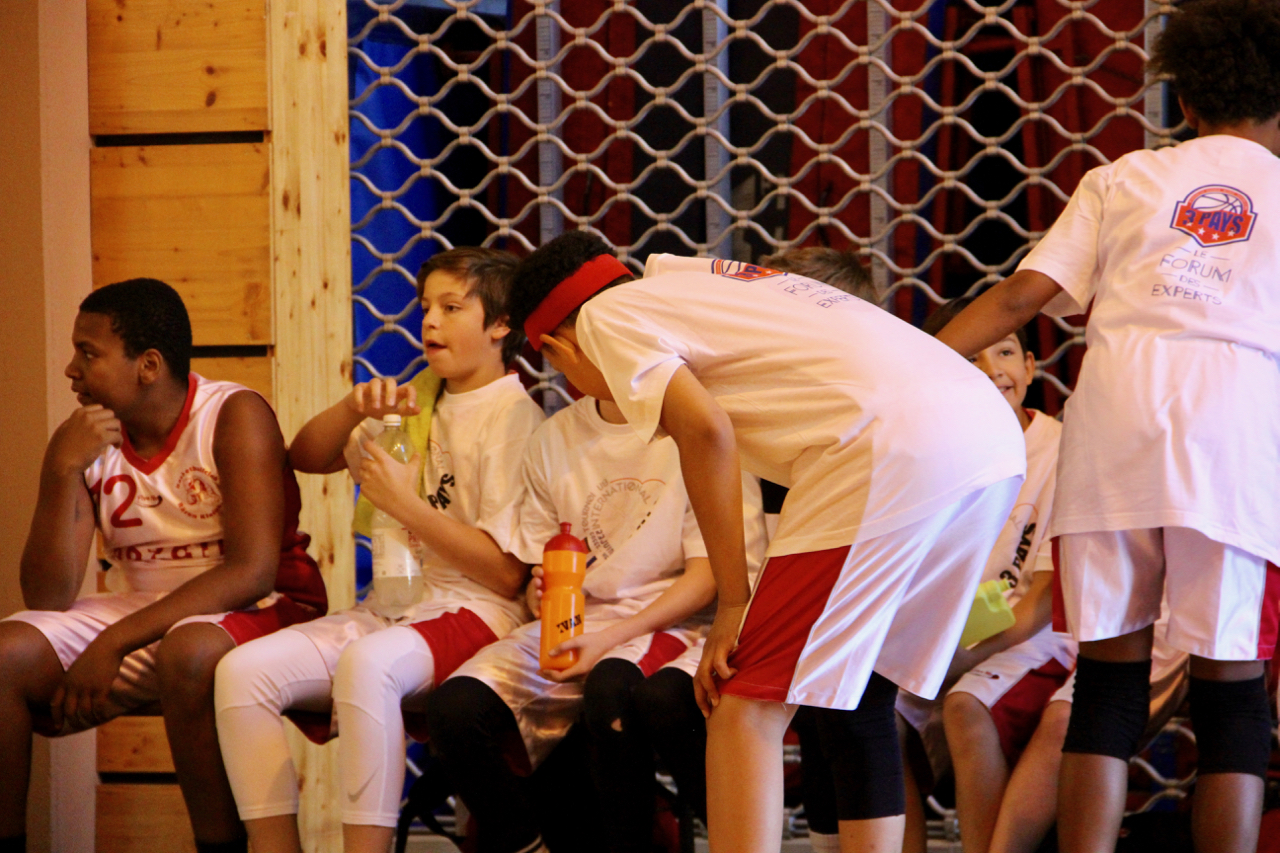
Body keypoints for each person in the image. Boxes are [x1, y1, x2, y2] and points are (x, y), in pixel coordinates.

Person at [504, 234, 1025, 853]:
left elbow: (706, 432)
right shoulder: (694, 282)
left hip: (888, 448)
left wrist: (733, 602)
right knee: (863, 698)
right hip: (987, 443)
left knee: (741, 703)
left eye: (563, 372)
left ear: (558, 345)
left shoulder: (604, 317)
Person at [933, 3, 1280, 850]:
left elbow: (1020, 298)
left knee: (1105, 685)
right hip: (1233, 433)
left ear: (1183, 101)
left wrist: (912, 362)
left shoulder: (1121, 178)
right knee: (1232, 691)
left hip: (1115, 420)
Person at [213, 248, 543, 853]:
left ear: (501, 324)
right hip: (395, 604)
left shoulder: (514, 417)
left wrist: (403, 503)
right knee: (242, 672)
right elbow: (306, 457)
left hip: (477, 610)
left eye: (451, 307)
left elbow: (504, 575)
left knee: (369, 666)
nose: (430, 322)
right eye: (425, 307)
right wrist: (351, 409)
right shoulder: (416, 401)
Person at [0, 278, 327, 853]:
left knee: (188, 650)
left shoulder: (232, 412)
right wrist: (59, 469)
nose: (72, 370)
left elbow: (251, 571)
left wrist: (113, 643)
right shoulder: (87, 441)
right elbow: (48, 596)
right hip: (150, 615)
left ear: (148, 365)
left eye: (88, 353)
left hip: (263, 604)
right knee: (5, 656)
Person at [423, 384, 767, 853]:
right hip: (577, 621)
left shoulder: (695, 425)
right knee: (455, 710)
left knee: (612, 690)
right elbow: (539, 566)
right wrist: (540, 590)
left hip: (667, 619)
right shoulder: (554, 436)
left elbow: (709, 577)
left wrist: (608, 639)